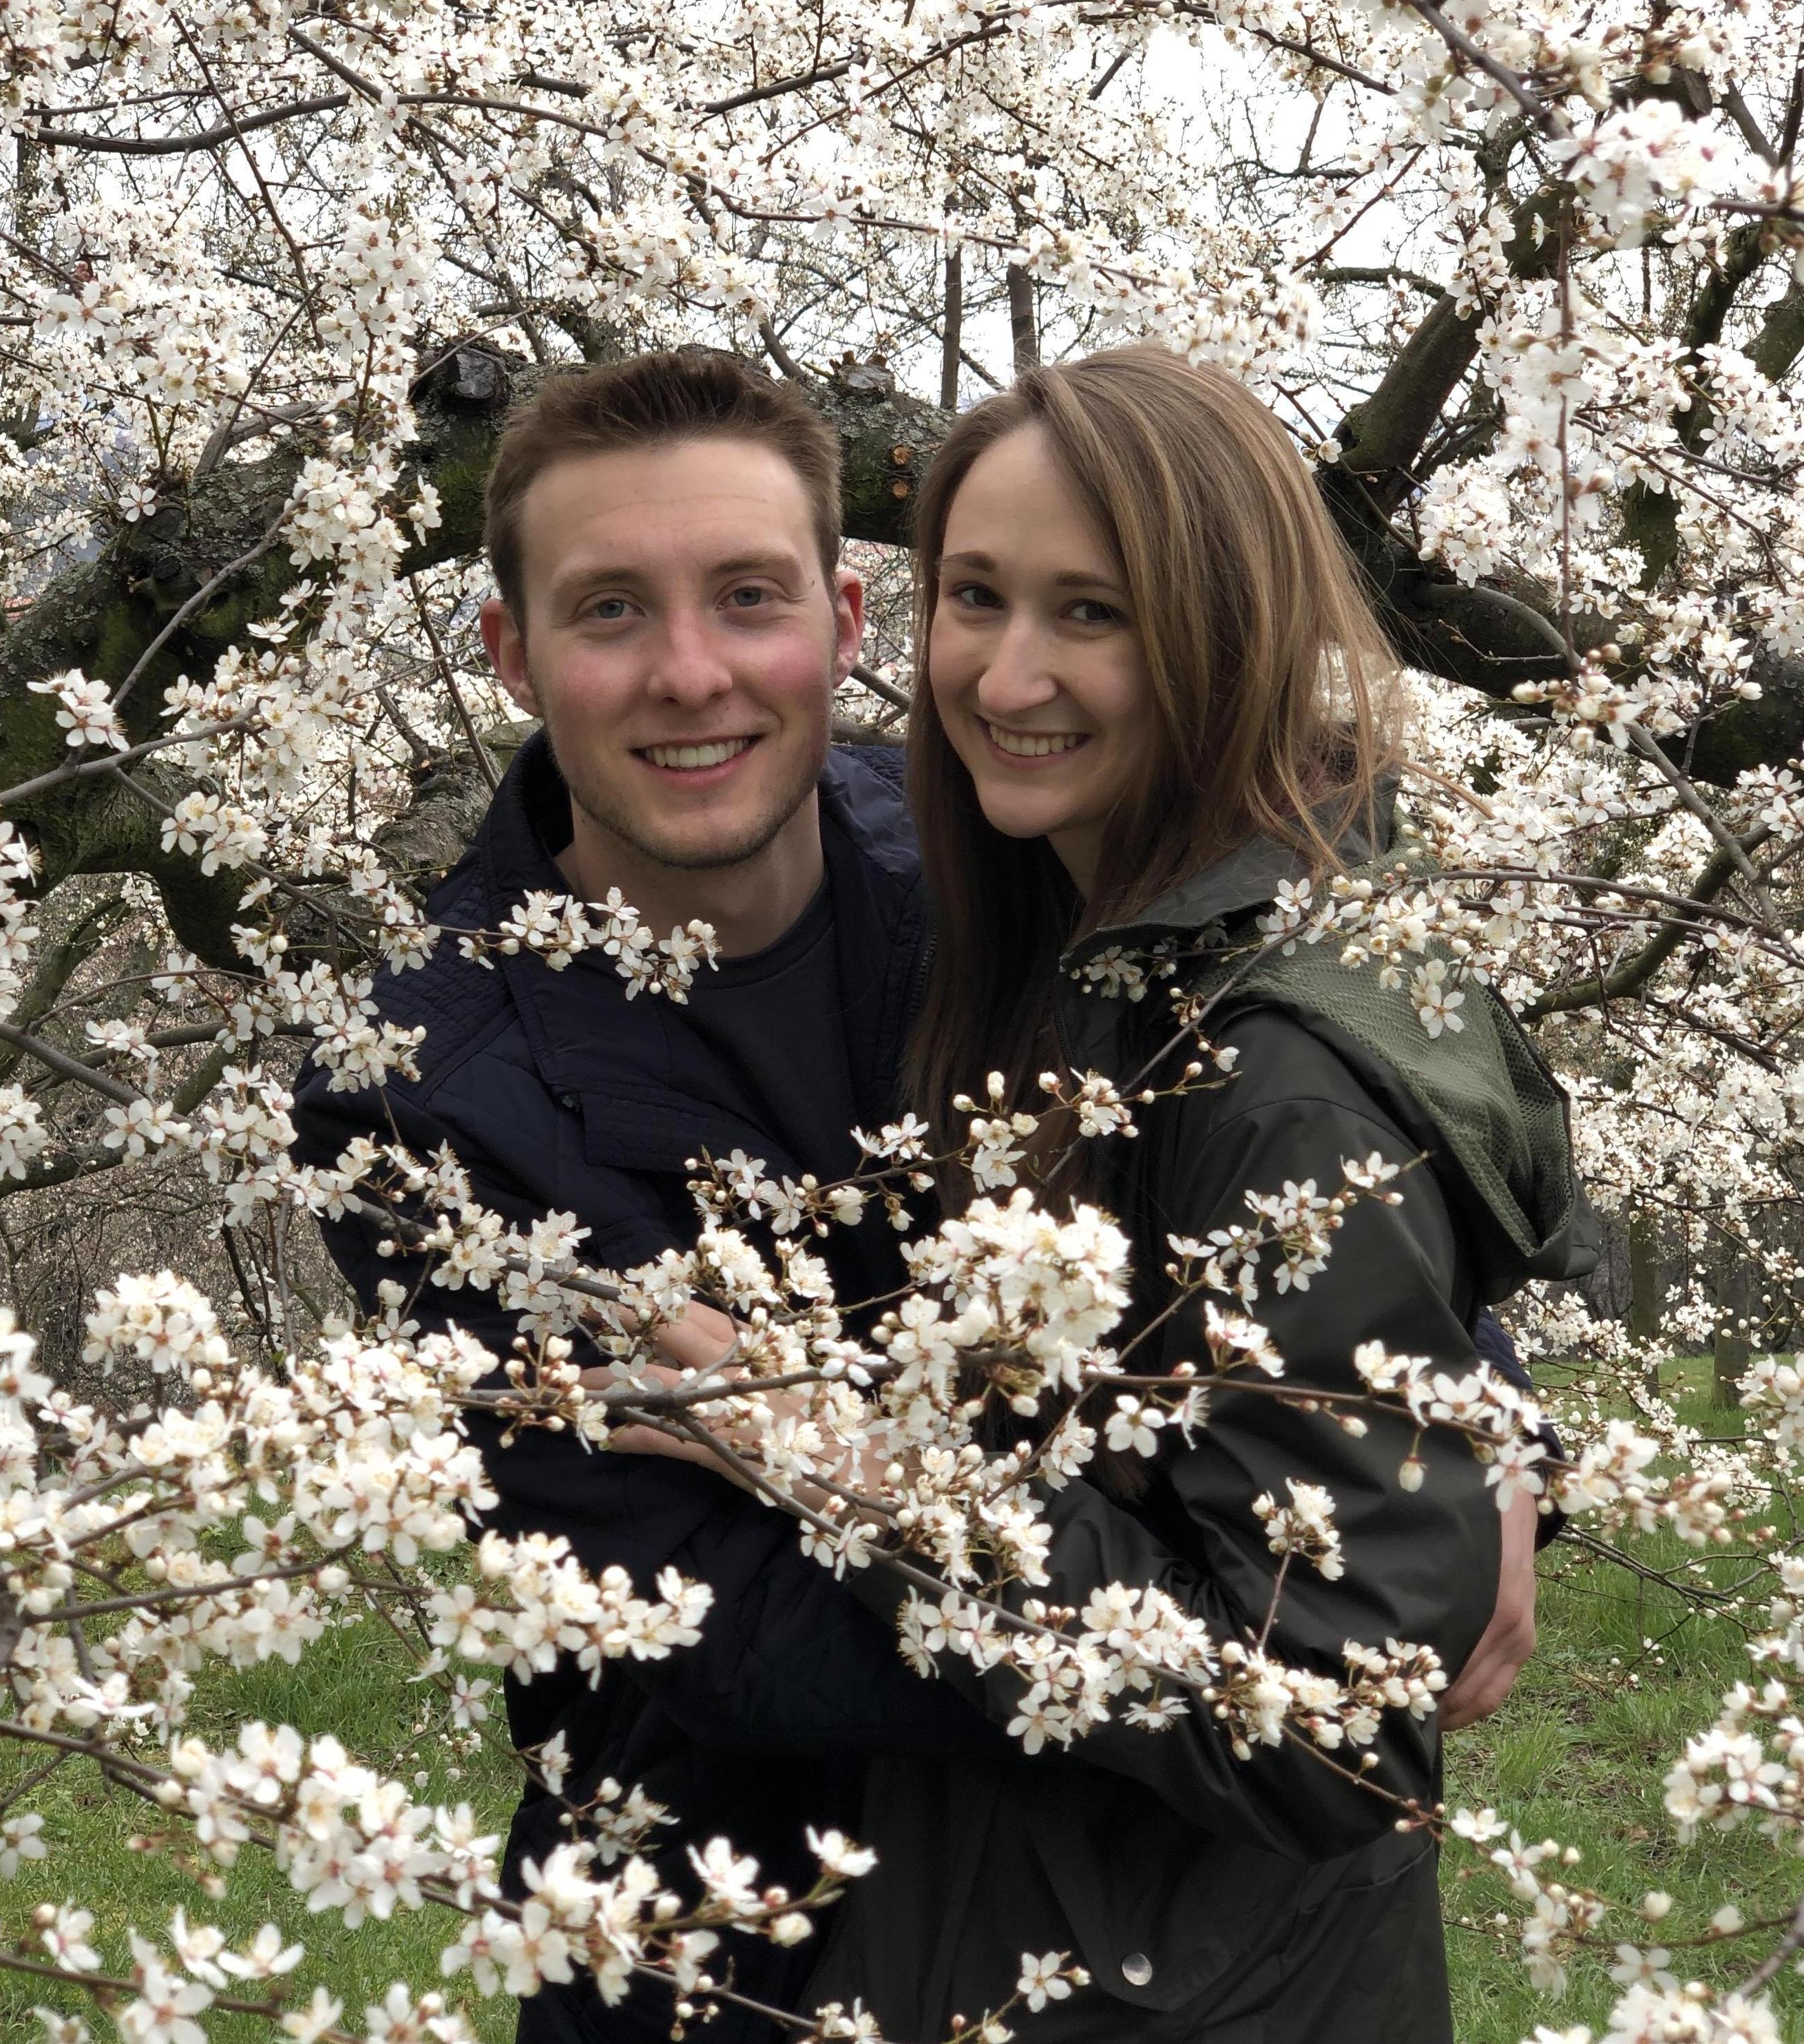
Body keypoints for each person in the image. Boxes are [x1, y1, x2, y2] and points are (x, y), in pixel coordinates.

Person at [291, 349, 1556, 2042]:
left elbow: (1310, 1122)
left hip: (1203, 1932)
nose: (690, 674)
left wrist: (1465, 1434)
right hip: (750, 1944)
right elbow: (713, 1628)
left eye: (747, 597)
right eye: (607, 611)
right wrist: (1226, 1640)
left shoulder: (991, 844)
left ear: (846, 617)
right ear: (511, 654)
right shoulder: (417, 1099)